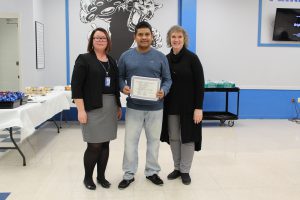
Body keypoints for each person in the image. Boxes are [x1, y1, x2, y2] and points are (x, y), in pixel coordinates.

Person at [118, 21, 172, 189]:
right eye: (140, 34)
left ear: (151, 36)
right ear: (135, 37)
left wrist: (163, 90)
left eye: (147, 34)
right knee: (130, 143)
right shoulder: (126, 56)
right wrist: (122, 87)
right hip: (134, 107)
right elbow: (119, 77)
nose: (144, 37)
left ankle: (152, 172)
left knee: (154, 142)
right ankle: (128, 174)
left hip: (156, 109)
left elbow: (168, 79)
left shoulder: (160, 57)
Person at [71, 27, 122, 190]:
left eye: (103, 38)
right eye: (97, 38)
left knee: (105, 143)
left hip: (110, 106)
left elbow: (114, 86)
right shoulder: (84, 59)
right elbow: (76, 87)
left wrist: (118, 105)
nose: (100, 40)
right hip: (91, 106)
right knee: (94, 145)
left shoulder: (112, 61)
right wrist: (80, 110)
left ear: (108, 42)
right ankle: (88, 178)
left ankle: (101, 177)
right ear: (91, 42)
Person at [160, 25, 205, 185]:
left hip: (189, 107)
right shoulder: (165, 59)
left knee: (187, 138)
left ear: (184, 39)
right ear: (169, 39)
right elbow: (162, 81)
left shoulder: (192, 58)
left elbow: (200, 84)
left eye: (179, 37)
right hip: (171, 106)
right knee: (173, 138)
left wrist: (198, 108)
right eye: (173, 37)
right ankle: (177, 167)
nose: (176, 39)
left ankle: (185, 170)